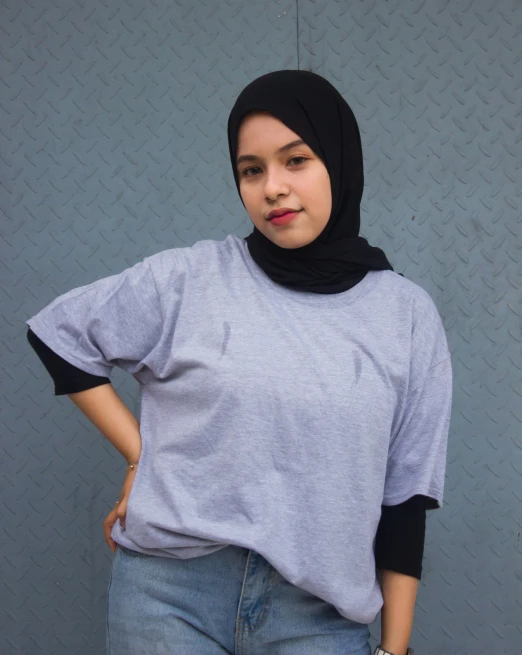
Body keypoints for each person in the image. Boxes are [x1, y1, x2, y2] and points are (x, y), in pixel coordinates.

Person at [26, 70, 453, 655]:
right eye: (252, 170)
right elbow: (60, 335)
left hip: (319, 616)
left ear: (340, 160)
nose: (272, 187)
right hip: (168, 596)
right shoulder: (190, 279)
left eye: (296, 160)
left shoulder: (406, 316)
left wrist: (394, 650)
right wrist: (139, 457)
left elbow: (405, 500)